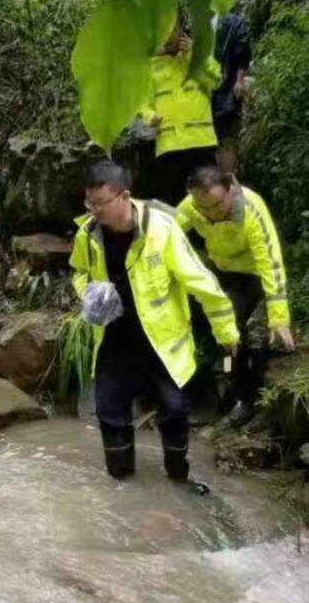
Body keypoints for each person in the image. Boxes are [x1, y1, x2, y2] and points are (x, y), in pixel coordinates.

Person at [70, 161, 239, 488]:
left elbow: (200, 281)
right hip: (114, 337)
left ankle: (178, 477)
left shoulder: (161, 230)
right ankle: (122, 486)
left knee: (174, 411)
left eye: (101, 203)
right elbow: (78, 271)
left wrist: (226, 330)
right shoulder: (87, 234)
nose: (95, 211)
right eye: (89, 204)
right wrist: (88, 292)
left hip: (161, 342)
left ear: (124, 196)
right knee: (109, 412)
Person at [177, 167, 293, 425]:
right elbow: (167, 233)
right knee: (229, 336)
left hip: (256, 276)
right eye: (203, 208)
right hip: (225, 272)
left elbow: (270, 264)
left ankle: (264, 400)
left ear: (230, 190)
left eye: (217, 206)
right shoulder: (192, 206)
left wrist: (279, 318)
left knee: (258, 337)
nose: (212, 214)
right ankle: (238, 396)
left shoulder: (250, 209)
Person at [141, 22, 221, 205]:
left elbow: (215, 81)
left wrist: (195, 55)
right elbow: (142, 103)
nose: (168, 37)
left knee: (211, 195)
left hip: (201, 140)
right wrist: (149, 116)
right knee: (172, 201)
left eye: (172, 31)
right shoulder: (150, 66)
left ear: (181, 31)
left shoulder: (198, 56)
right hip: (169, 145)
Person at [212, 12, 252, 176]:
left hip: (225, 90)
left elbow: (243, 52)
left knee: (227, 137)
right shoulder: (194, 20)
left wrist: (239, 80)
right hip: (203, 93)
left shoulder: (233, 22)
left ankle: (228, 178)